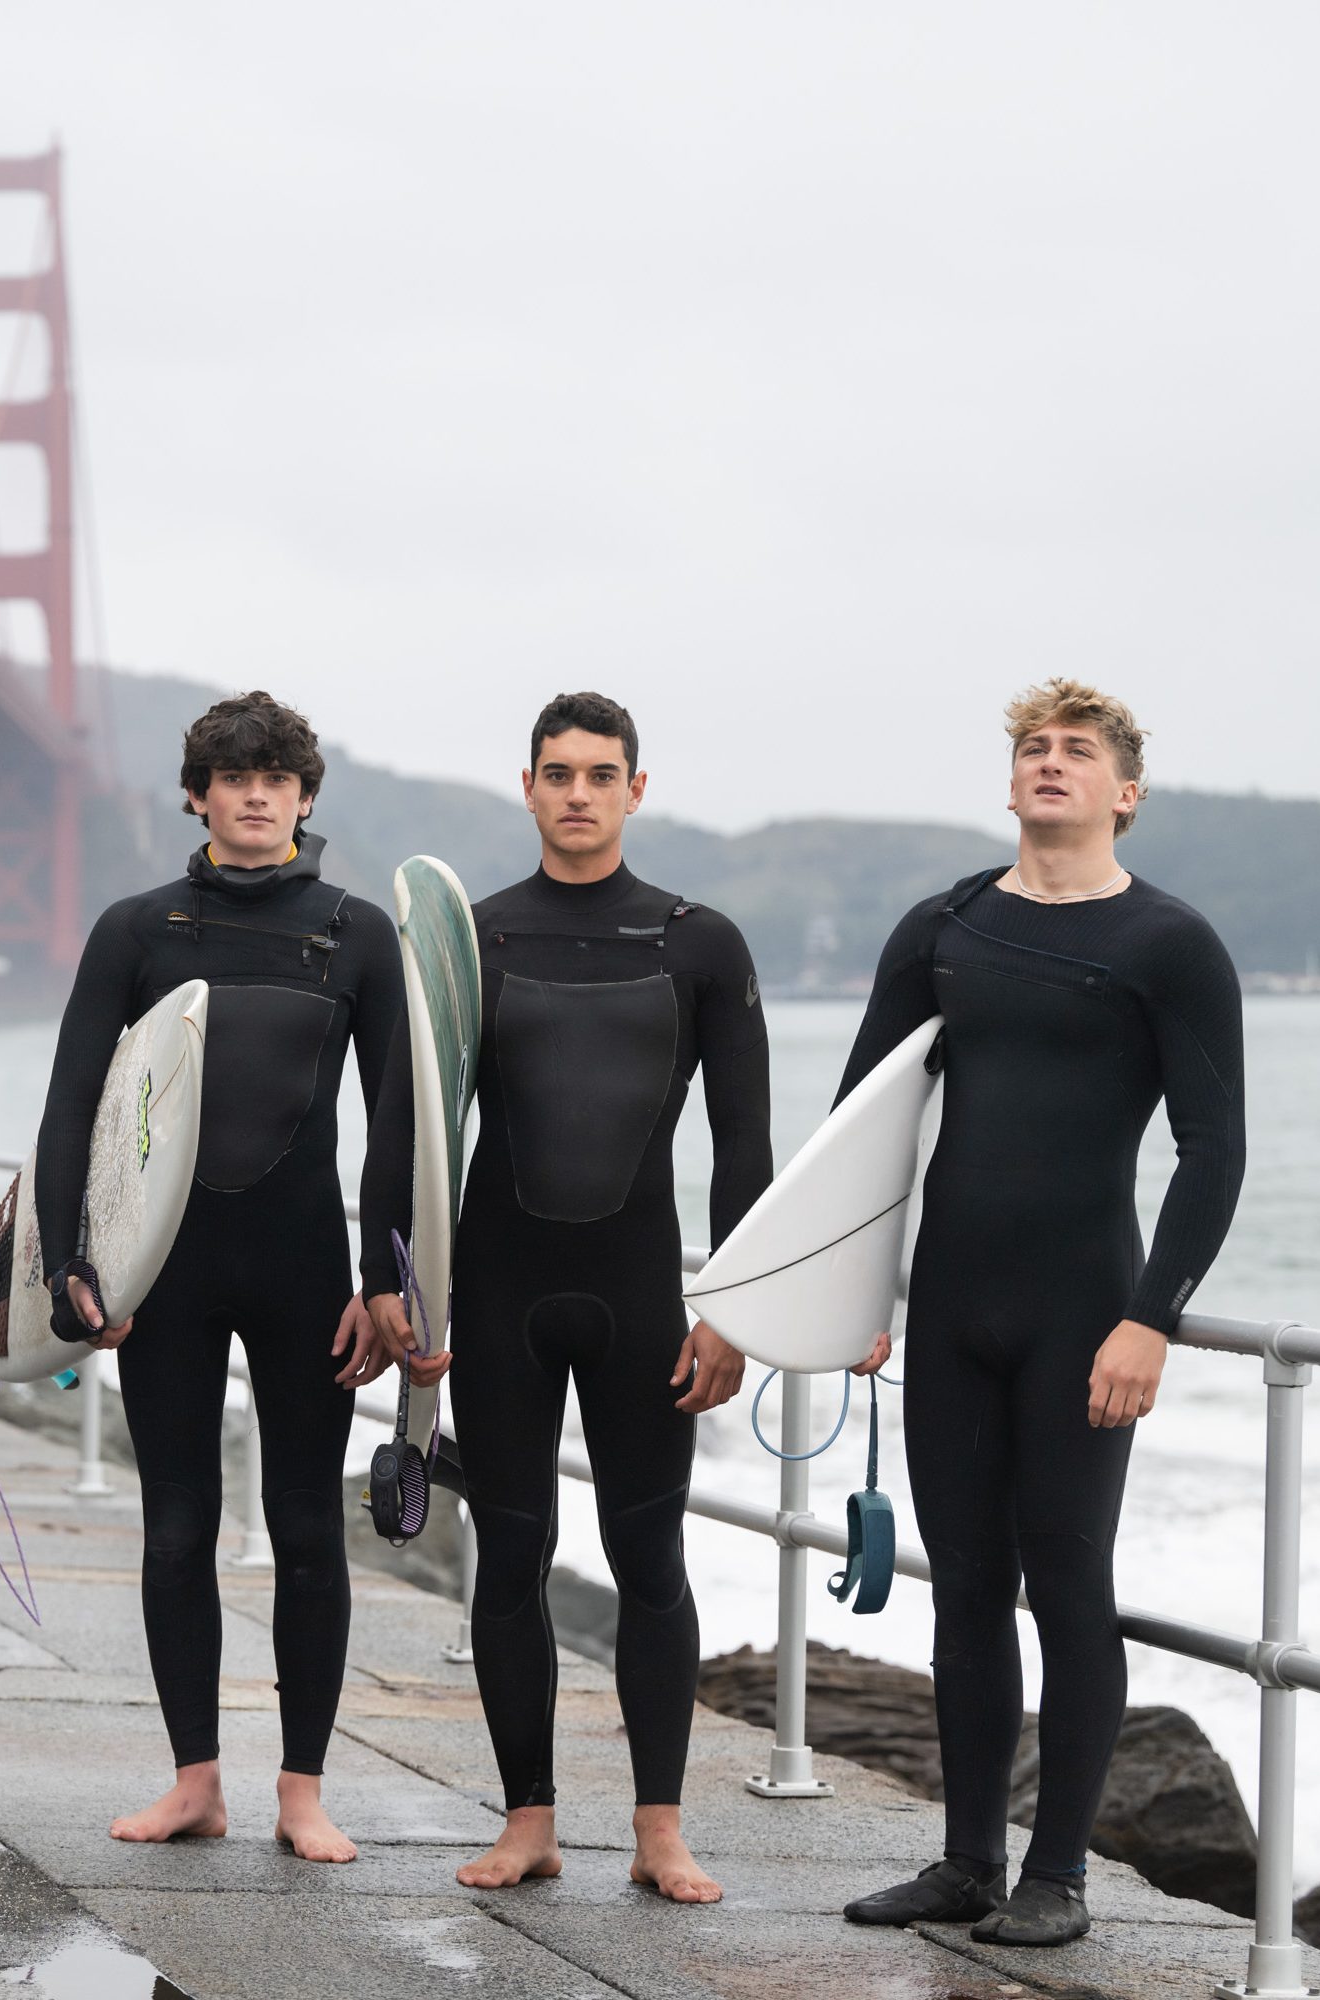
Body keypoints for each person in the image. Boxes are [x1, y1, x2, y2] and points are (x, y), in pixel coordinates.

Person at [837, 679, 1245, 1946]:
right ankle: (965, 1859)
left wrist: (1152, 1318)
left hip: (1082, 1311)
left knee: (1068, 1583)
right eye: (1031, 748)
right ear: (1008, 781)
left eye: (1078, 751)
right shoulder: (943, 926)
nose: (1049, 763)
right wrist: (850, 1290)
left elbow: (1213, 1148)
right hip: (954, 1306)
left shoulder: (1169, 944)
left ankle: (1055, 1869)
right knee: (962, 1585)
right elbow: (864, 1125)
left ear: (1125, 790)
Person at [359, 691, 771, 1904]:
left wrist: (734, 1302)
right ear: (526, 787)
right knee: (512, 1554)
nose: (578, 792)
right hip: (501, 1293)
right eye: (557, 772)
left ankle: (658, 1828)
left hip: (643, 1291)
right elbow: (406, 1126)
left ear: (636, 789)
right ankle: (528, 1816)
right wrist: (389, 1284)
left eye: (601, 773)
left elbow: (743, 1147)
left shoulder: (700, 943)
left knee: (649, 1552)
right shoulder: (466, 938)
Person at [34, 691, 402, 1864]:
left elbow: (399, 1123)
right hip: (167, 1270)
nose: (255, 792)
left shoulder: (355, 932)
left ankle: (302, 1787)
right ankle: (195, 1778)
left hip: (304, 1271)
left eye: (277, 776)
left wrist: (385, 1277)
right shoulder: (140, 929)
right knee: (176, 1521)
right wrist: (71, 1260)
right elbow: (70, 1103)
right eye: (232, 774)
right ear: (196, 793)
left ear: (304, 796)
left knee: (306, 1525)